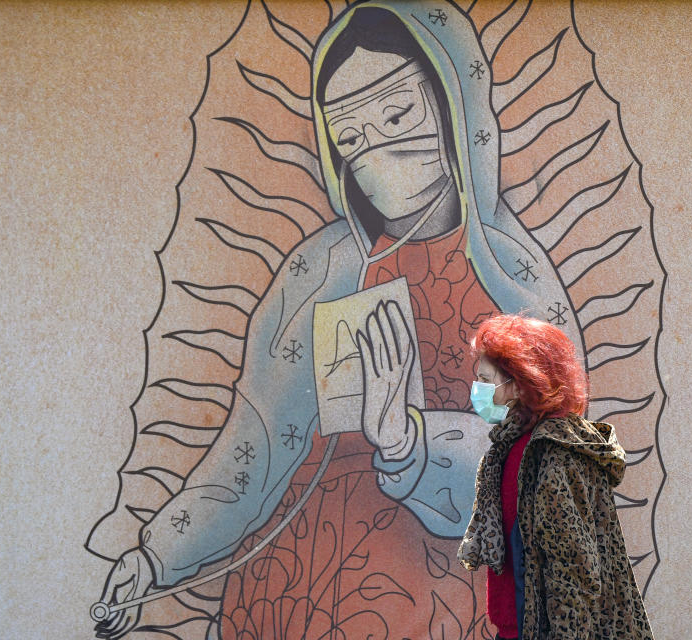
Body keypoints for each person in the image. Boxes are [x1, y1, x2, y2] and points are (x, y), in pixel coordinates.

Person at [94, 2, 584, 638]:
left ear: (451, 104)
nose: (377, 150)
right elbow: (259, 445)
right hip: (287, 585)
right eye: (351, 138)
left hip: (432, 592)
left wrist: (413, 443)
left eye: (398, 114)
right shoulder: (325, 268)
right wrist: (156, 556)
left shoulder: (510, 278)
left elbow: (540, 462)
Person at [459, 314, 654, 639]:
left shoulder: (550, 454)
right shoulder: (510, 448)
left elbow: (574, 570)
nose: (477, 390)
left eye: (486, 379)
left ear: (520, 384)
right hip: (516, 629)